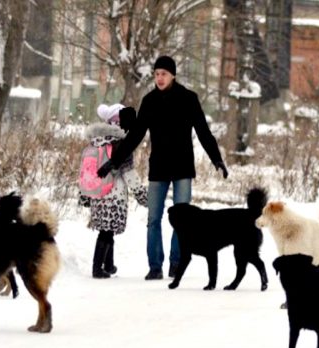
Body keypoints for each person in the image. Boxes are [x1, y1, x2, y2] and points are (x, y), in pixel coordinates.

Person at [98, 55, 228, 280]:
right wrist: (115, 160)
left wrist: (216, 159)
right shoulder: (149, 101)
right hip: (158, 167)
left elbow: (203, 132)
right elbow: (136, 135)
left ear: (173, 75)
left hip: (183, 168)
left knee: (183, 220)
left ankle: (176, 263)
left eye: (164, 74)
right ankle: (155, 266)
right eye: (157, 74)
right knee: (153, 219)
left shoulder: (189, 99)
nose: (159, 78)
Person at [81, 104, 148, 278]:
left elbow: (86, 170)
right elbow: (129, 172)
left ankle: (109, 265)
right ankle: (97, 268)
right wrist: (142, 195)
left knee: (107, 229)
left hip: (98, 193)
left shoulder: (96, 141)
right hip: (114, 193)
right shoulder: (122, 144)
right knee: (106, 232)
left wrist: (84, 194)